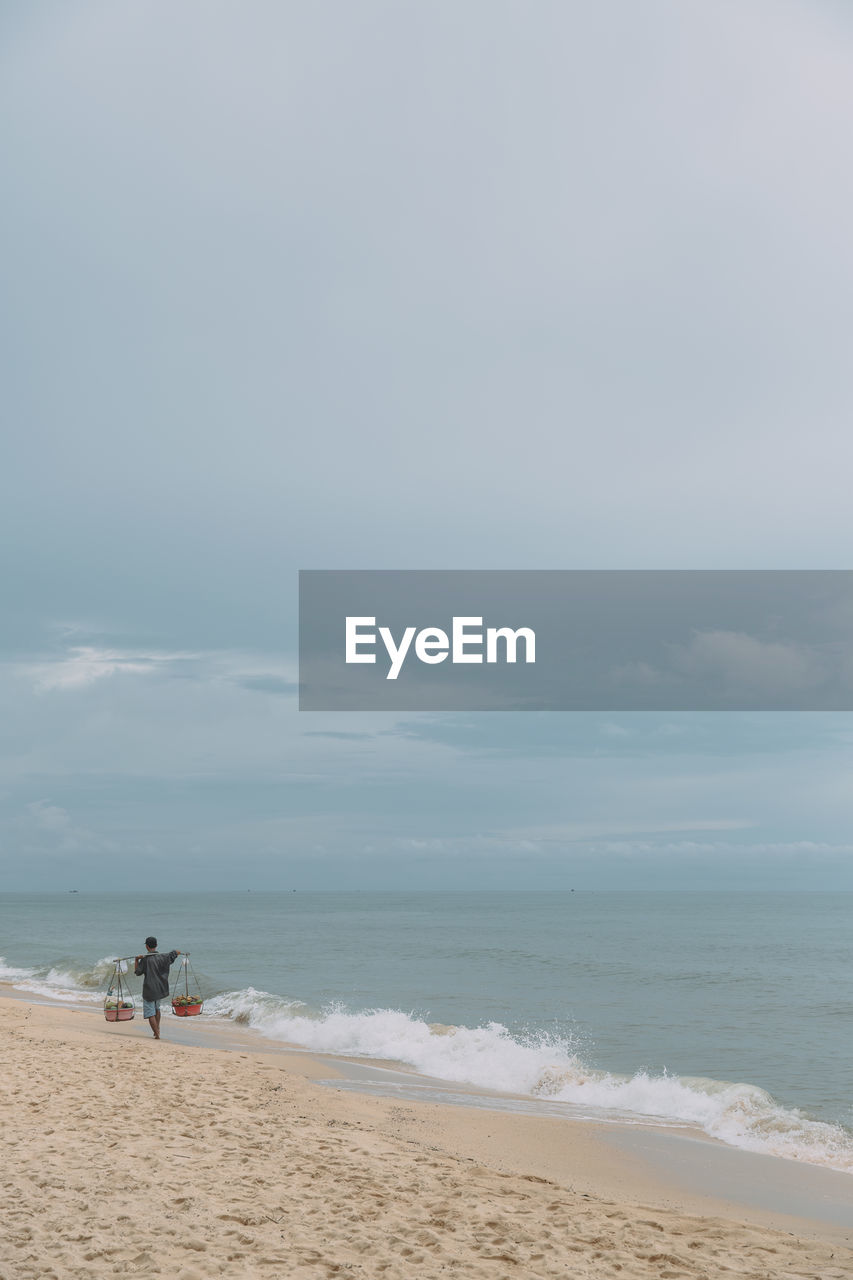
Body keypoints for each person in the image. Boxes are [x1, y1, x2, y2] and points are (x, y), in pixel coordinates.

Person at [134, 936, 181, 1039]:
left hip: (149, 989)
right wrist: (176, 952)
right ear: (156, 945)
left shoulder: (146, 960)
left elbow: (137, 972)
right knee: (157, 1009)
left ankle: (157, 1034)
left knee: (151, 1013)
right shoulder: (163, 957)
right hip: (160, 988)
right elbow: (175, 953)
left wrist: (136, 960)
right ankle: (157, 1029)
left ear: (146, 946)